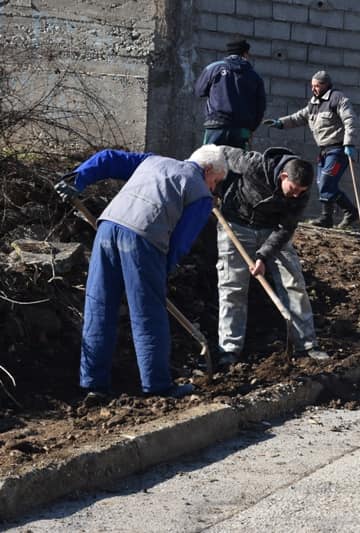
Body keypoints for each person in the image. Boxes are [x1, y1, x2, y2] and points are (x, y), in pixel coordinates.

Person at [53, 145, 229, 400]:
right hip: (144, 240)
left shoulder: (153, 161)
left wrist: (77, 179)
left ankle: (93, 383)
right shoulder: (200, 193)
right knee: (148, 314)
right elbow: (181, 241)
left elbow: (108, 158)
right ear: (209, 169)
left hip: (107, 228)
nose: (213, 188)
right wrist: (162, 272)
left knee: (99, 307)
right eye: (216, 182)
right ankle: (157, 386)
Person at [215, 146, 330, 364]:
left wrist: (263, 256)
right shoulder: (253, 164)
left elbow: (286, 228)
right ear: (284, 176)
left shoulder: (301, 192)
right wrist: (211, 186)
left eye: (301, 191)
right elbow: (219, 152)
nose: (297, 195)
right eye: (293, 189)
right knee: (232, 287)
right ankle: (229, 349)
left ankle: (306, 345)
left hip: (272, 230)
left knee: (294, 282)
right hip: (236, 225)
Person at [265, 70, 358, 229]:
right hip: (324, 150)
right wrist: (280, 123)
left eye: (317, 86)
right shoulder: (314, 103)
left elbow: (350, 120)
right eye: (312, 86)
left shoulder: (337, 99)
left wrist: (349, 143)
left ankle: (329, 217)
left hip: (338, 150)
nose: (314, 89)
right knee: (322, 182)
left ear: (326, 85)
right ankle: (347, 213)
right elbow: (299, 117)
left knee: (327, 183)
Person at [195, 39, 266, 149]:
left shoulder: (213, 68)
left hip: (216, 125)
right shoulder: (255, 76)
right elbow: (261, 107)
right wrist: (251, 129)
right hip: (242, 130)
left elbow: (199, 91)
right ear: (246, 53)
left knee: (209, 162)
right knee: (240, 164)